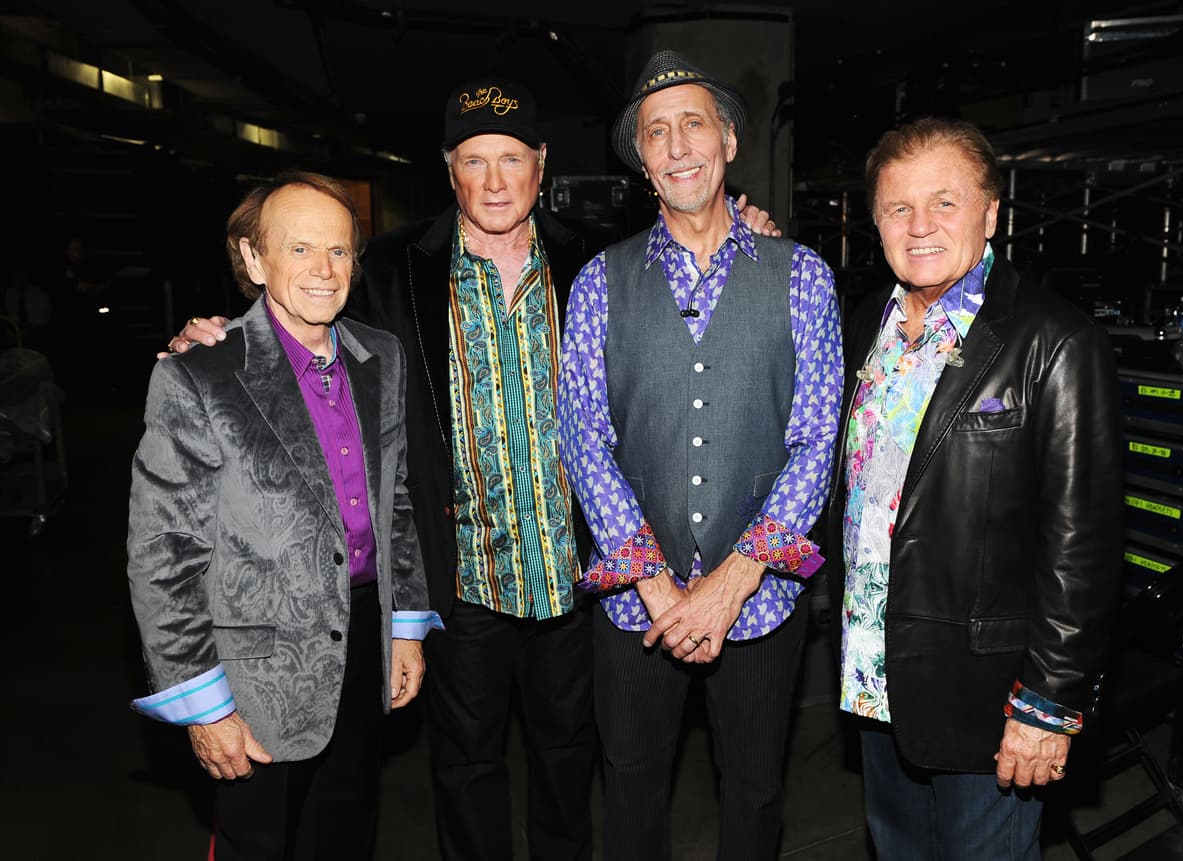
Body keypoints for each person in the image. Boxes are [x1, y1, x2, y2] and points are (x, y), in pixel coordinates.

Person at [166, 77, 779, 861]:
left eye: (512, 159)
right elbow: (303, 323)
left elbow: (696, 266)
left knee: (569, 761)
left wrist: (749, 231)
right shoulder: (391, 268)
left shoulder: (597, 258)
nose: (494, 181)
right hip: (459, 578)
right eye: (474, 161)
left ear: (541, 164)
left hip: (576, 571)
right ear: (449, 169)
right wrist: (223, 338)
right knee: (465, 768)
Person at [557, 50, 842, 860]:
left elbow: (817, 437)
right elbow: (582, 434)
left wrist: (732, 582)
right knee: (631, 791)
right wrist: (652, 579)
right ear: (643, 161)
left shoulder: (803, 276)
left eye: (694, 124)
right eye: (657, 132)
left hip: (761, 599)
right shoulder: (599, 282)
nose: (678, 145)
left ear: (728, 142)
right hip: (632, 604)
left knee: (754, 796)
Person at [830, 117, 1123, 859]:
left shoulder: (1056, 342)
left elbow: (1083, 545)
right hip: (875, 676)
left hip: (990, 693)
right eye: (898, 207)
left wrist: (1048, 703)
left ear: (990, 213)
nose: (919, 225)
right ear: (876, 222)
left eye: (945, 202)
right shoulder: (867, 324)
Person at [127, 171, 434, 860]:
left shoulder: (379, 356)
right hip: (253, 673)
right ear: (254, 258)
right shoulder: (199, 374)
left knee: (346, 834)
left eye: (339, 250)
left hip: (362, 643)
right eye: (299, 249)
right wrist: (205, 707)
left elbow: (397, 501)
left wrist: (405, 625)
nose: (324, 269)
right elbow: (163, 557)